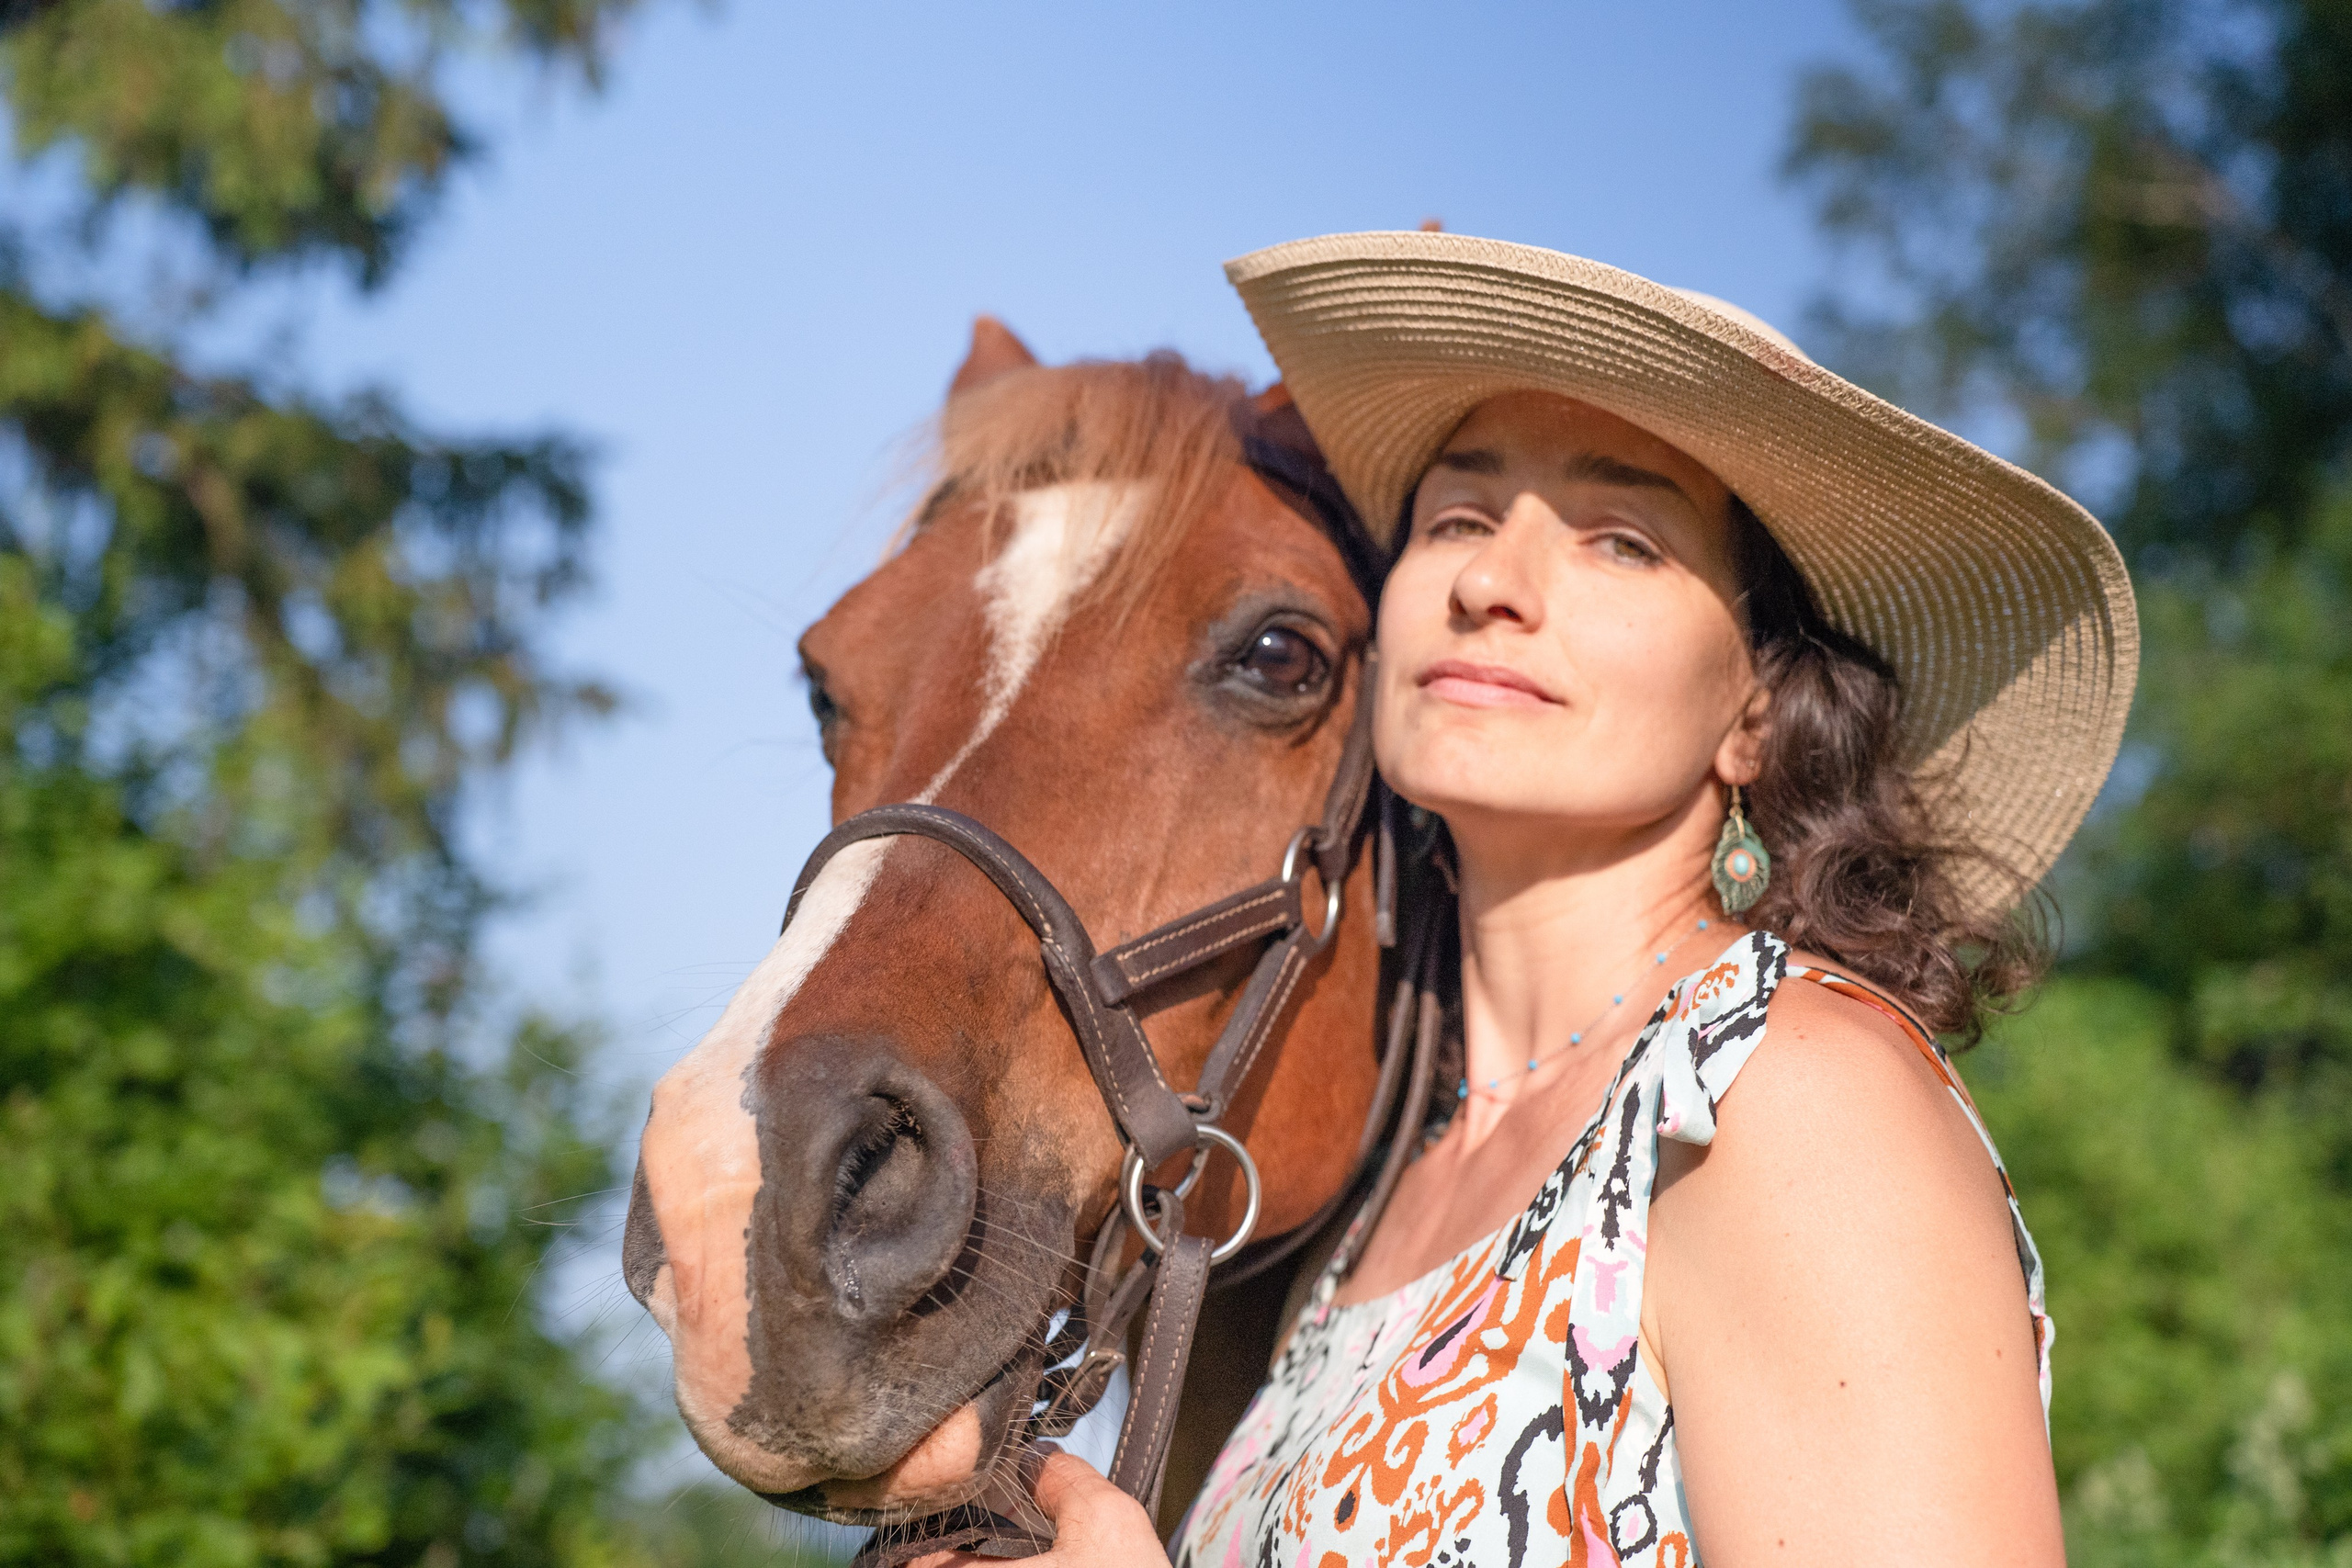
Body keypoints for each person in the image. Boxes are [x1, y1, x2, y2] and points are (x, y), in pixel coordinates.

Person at [958, 231, 2136, 1566]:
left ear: (1758, 707)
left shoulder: (1783, 1097)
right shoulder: (1386, 1214)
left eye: (1621, 540)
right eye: (1457, 518)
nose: (1487, 582)